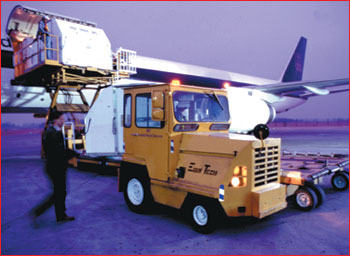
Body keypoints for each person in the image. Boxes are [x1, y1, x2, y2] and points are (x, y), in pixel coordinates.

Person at [31, 111, 77, 223]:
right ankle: (39, 212)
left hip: (56, 166)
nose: (64, 121)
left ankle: (60, 215)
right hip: (55, 167)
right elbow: (58, 151)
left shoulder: (53, 132)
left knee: (60, 192)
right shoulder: (53, 133)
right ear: (55, 120)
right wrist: (75, 152)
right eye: (61, 119)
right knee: (59, 192)